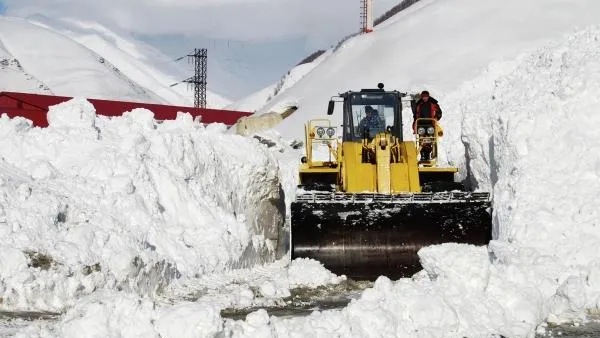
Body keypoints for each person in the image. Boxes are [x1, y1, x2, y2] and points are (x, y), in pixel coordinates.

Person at [412, 91, 443, 161]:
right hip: (421, 124)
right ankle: (422, 154)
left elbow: (439, 112)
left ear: (428, 96)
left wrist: (436, 117)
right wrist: (415, 123)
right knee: (421, 140)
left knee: (429, 140)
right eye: (423, 97)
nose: (424, 98)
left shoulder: (433, 103)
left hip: (430, 124)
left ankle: (428, 155)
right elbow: (415, 114)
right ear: (422, 97)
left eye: (426, 97)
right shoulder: (419, 104)